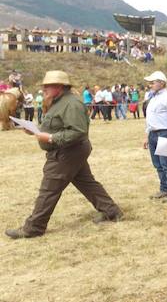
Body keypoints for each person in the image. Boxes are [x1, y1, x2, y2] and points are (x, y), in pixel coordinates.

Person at [5, 71, 123, 239]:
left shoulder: (71, 104)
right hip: (70, 152)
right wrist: (34, 130)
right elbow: (58, 125)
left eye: (47, 86)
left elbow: (78, 132)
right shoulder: (59, 102)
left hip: (67, 152)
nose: (44, 89)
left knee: (49, 189)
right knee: (87, 183)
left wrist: (51, 137)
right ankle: (112, 211)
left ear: (59, 86)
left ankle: (33, 228)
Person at [143, 71, 167, 199]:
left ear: (161, 83)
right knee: (158, 164)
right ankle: (164, 189)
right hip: (153, 134)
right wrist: (146, 136)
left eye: (153, 82)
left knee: (166, 164)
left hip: (164, 133)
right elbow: (150, 119)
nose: (151, 84)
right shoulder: (153, 98)